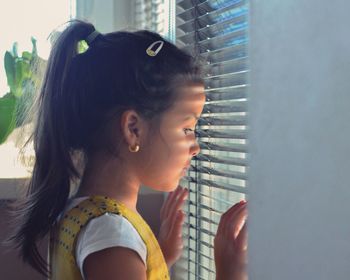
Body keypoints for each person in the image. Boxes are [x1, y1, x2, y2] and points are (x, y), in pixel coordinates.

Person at [5, 19, 248, 280]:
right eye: (187, 128)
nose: (196, 147)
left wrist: (158, 258)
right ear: (133, 128)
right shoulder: (110, 236)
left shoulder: (80, 213)